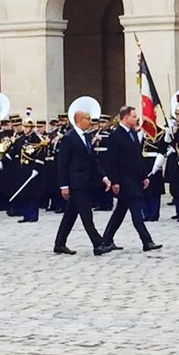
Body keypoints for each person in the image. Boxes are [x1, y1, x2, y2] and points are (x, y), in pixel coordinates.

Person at [101, 106, 162, 252]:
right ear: (125, 117)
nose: (136, 119)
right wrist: (114, 181)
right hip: (124, 181)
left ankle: (106, 240)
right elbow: (112, 161)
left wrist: (144, 175)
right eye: (133, 116)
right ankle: (147, 241)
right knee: (136, 211)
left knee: (119, 213)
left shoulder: (133, 133)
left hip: (135, 179)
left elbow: (137, 157)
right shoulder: (116, 136)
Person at [54, 110, 113, 256]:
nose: (90, 122)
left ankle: (59, 243)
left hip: (87, 181)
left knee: (70, 215)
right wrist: (64, 185)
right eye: (88, 119)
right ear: (79, 120)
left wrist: (104, 176)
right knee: (86, 215)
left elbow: (94, 160)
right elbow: (63, 163)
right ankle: (98, 244)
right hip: (76, 183)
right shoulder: (69, 138)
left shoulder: (86, 137)